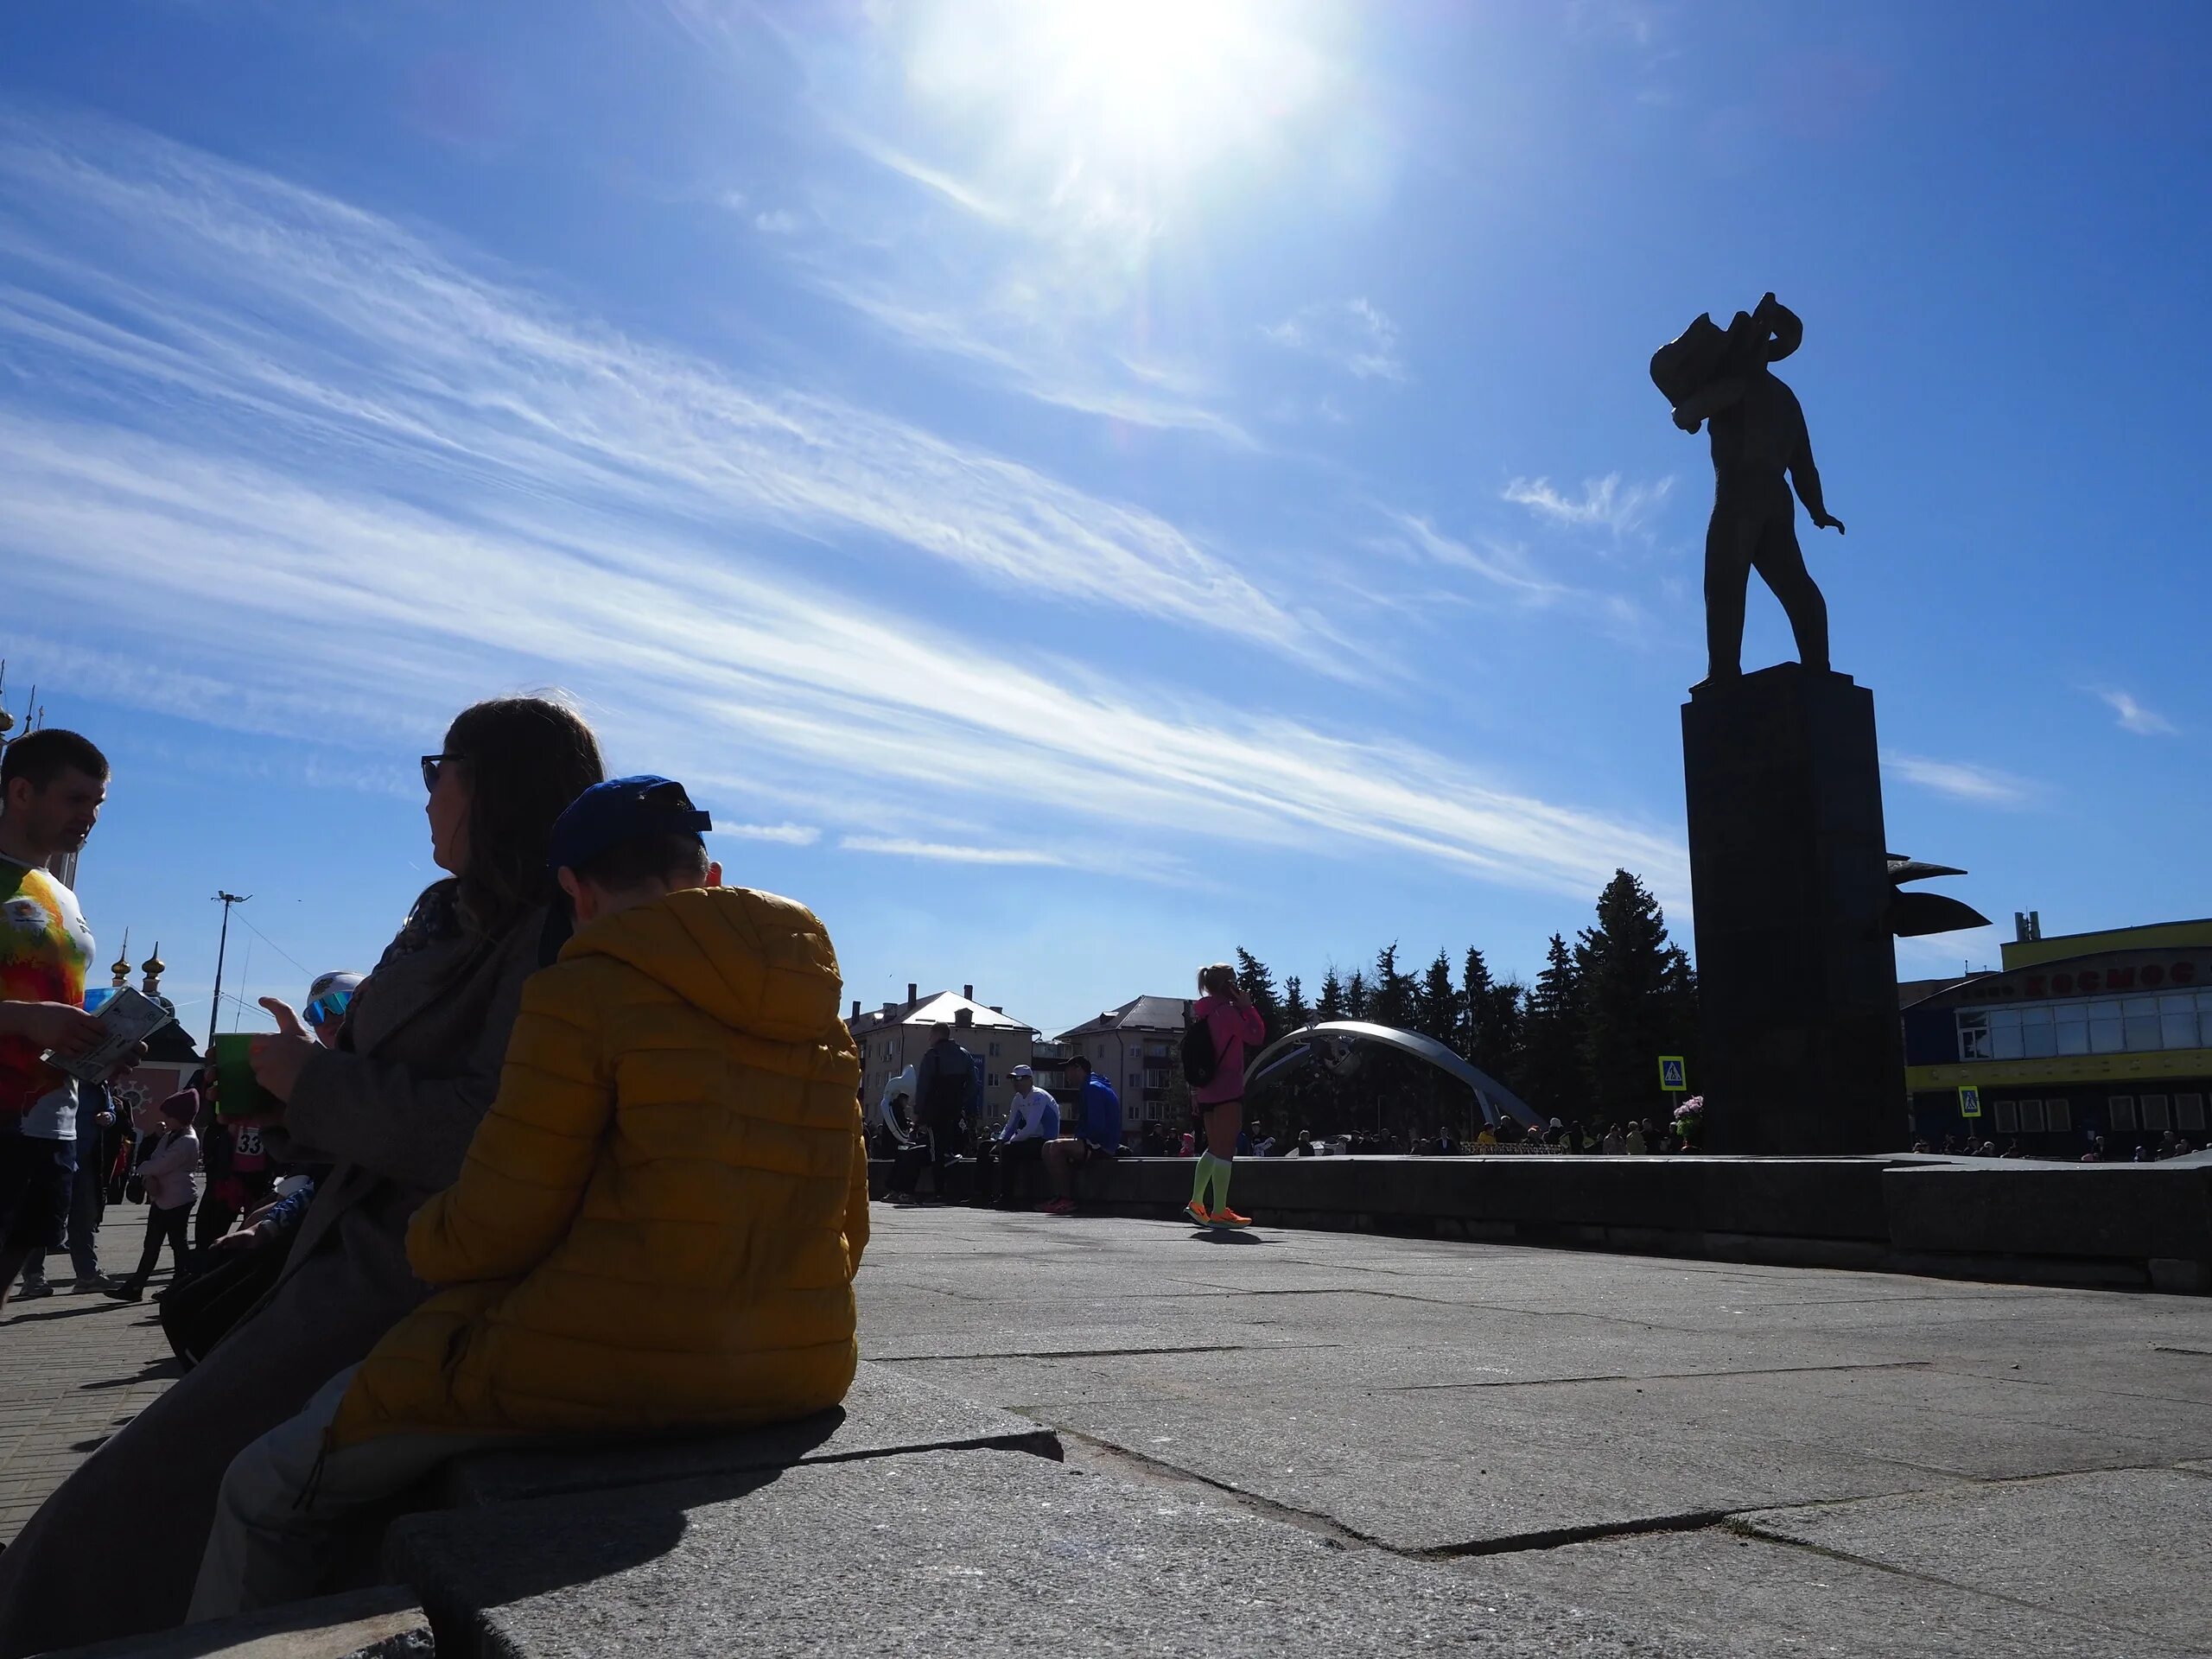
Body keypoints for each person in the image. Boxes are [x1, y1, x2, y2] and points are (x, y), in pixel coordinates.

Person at [0, 696, 605, 1656]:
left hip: (417, 1273)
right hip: (345, 1250)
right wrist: (289, 1106)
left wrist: (314, 1082)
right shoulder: (453, 915)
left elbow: (495, 1134)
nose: (425, 795)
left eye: (435, 771)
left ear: (490, 786)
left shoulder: (550, 934)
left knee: (132, 1505)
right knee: (129, 1499)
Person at [188, 773, 868, 1619]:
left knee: (265, 1489)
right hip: (797, 1365)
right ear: (713, 878)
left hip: (612, 1371)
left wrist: (419, 1237)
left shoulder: (582, 993)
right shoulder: (817, 1013)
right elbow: (850, 1225)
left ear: (575, 892)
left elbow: (498, 1224)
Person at [0, 730, 128, 1318]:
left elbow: (61, 1015)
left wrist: (104, 1043)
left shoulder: (61, 895)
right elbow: (36, 1016)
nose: (90, 817)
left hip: (51, 1124)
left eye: (98, 803)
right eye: (76, 799)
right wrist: (28, 1019)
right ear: (21, 791)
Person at [17, 1080, 117, 1297]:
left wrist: (108, 1117)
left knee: (84, 1218)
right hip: (54, 1156)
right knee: (43, 1217)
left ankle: (87, 1275)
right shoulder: (56, 1076)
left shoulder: (99, 1084)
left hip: (85, 1159)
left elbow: (110, 1109)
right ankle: (33, 1278)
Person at [1185, 964, 1265, 1229]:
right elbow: (1256, 1036)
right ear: (1228, 985)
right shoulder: (1228, 1013)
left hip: (1206, 1089)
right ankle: (1219, 1210)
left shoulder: (1204, 1014)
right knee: (1226, 1149)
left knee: (1214, 1147)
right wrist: (1247, 1007)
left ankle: (1197, 1203)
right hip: (1228, 1088)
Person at [106, 1089, 201, 1302]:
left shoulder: (187, 1141)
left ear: (181, 1117)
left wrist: (144, 1169)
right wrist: (149, 1170)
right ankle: (136, 1286)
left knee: (178, 1244)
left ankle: (180, 1284)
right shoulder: (170, 1136)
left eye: (169, 1116)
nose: (165, 1120)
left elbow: (161, 1163)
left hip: (178, 1198)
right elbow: (156, 1158)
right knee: (152, 1244)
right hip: (163, 1197)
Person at [886, 1022, 975, 1204]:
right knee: (942, 1150)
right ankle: (944, 1192)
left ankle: (939, 1193)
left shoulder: (933, 1055)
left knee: (936, 1152)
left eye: (930, 1036)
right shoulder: (964, 1055)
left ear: (936, 1035)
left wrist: (918, 1113)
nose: (928, 1039)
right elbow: (973, 1085)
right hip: (956, 1111)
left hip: (936, 1112)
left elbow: (924, 1087)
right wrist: (964, 1105)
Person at [1039, 1055, 1120, 1216]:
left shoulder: (1092, 1088)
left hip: (1101, 1144)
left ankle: (1067, 1200)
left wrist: (1080, 1139)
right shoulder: (1090, 1086)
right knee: (1047, 1146)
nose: (1066, 1076)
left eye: (1067, 1071)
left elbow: (1097, 1126)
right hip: (1094, 1140)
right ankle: (1060, 1195)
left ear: (1078, 1068)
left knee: (1055, 1148)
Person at [988, 1066, 1056, 1210]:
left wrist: (1010, 1142)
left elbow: (1031, 1127)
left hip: (1045, 1141)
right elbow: (1011, 1123)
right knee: (985, 1148)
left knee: (1008, 1150)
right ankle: (982, 1194)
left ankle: (1007, 1198)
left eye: (1019, 1079)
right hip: (1028, 1139)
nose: (1015, 1082)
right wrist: (1000, 1140)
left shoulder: (1039, 1096)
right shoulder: (1018, 1099)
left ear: (1029, 1080)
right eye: (1013, 1079)